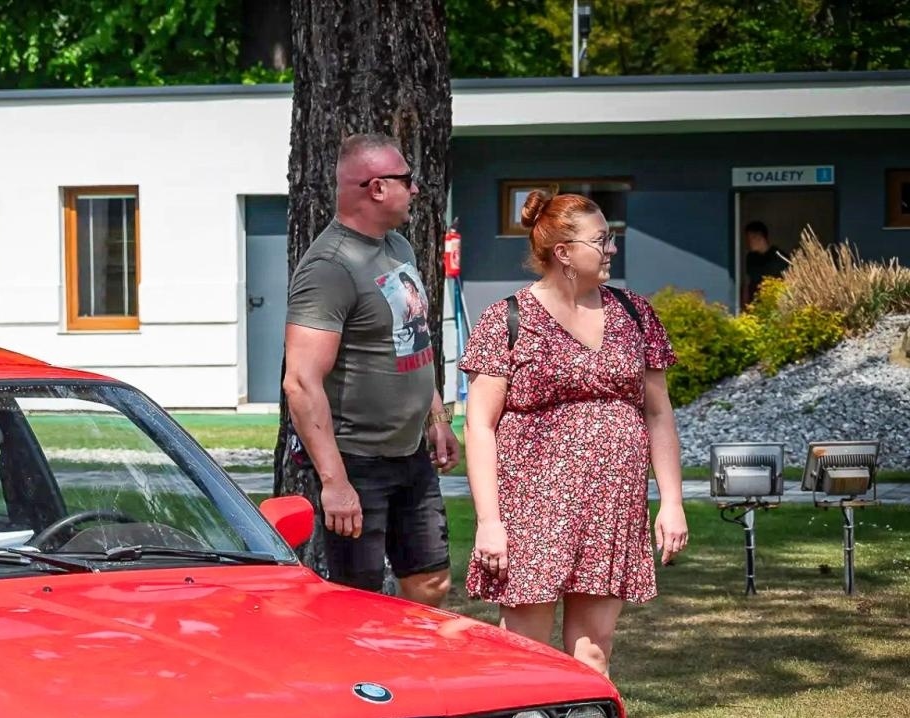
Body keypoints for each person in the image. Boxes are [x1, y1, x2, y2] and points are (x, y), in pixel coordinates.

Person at [460, 190, 687, 677]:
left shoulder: (634, 313)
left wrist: (671, 501)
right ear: (563, 252)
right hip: (534, 508)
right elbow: (479, 425)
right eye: (602, 239)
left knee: (595, 649)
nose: (612, 248)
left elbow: (659, 414)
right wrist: (488, 521)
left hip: (612, 506)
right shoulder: (507, 319)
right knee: (524, 652)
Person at [282, 132, 459, 606]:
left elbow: (413, 338)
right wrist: (335, 482)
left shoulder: (397, 247)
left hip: (410, 454)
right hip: (357, 461)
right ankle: (360, 680)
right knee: (356, 601)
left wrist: (435, 416)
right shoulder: (329, 267)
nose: (416, 189)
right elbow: (301, 382)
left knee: (431, 583)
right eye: (407, 180)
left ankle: (409, 673)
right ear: (377, 188)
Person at [742, 221, 785, 308]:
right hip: (754, 306)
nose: (747, 243)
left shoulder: (779, 258)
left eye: (749, 239)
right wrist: (745, 305)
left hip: (773, 306)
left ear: (759, 237)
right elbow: (747, 283)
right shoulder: (751, 258)